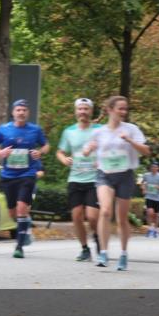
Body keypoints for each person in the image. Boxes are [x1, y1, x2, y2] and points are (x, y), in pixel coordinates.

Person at [83, 96, 150, 271]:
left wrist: (130, 140)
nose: (123, 112)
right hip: (104, 174)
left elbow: (146, 151)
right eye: (120, 108)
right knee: (105, 211)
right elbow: (86, 151)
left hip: (125, 175)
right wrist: (88, 149)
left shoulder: (131, 129)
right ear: (110, 110)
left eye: (125, 109)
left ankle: (123, 253)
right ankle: (103, 253)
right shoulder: (99, 132)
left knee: (121, 218)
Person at [0, 99, 49, 259]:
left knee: (22, 208)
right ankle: (25, 225)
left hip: (27, 174)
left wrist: (40, 152)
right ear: (13, 112)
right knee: (13, 213)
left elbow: (46, 145)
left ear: (28, 113)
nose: (21, 112)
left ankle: (19, 246)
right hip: (8, 176)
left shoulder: (35, 130)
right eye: (18, 110)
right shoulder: (4, 129)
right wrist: (0, 153)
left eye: (24, 110)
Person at [56, 98, 102, 261]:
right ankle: (85, 249)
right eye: (80, 109)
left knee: (92, 217)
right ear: (76, 111)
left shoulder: (99, 130)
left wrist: (101, 159)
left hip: (94, 180)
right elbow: (60, 152)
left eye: (86, 109)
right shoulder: (69, 131)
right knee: (76, 216)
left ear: (91, 111)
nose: (83, 112)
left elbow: (109, 146)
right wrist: (64, 159)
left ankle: (98, 237)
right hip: (75, 179)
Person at [141, 162, 159, 238]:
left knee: (156, 215)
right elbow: (142, 183)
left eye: (155, 167)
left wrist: (158, 187)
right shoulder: (146, 175)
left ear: (158, 168)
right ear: (150, 168)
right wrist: (143, 189)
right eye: (152, 167)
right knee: (150, 213)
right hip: (149, 197)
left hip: (158, 198)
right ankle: (150, 229)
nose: (154, 168)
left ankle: (156, 230)